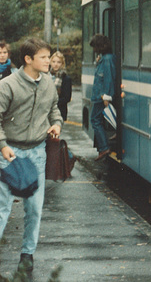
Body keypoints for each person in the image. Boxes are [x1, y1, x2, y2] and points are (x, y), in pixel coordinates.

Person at [0, 38, 63, 274]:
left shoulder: (48, 84)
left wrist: (56, 124)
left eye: (49, 57)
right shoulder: (7, 85)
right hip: (10, 154)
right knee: (2, 208)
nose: (49, 61)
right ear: (28, 59)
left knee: (34, 208)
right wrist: (2, 145)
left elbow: (54, 109)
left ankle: (27, 255)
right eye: (44, 57)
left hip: (37, 152)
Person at [89, 34, 116, 161]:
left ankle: (104, 147)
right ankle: (104, 147)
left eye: (95, 47)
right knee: (96, 120)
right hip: (100, 96)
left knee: (95, 120)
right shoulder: (104, 58)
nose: (94, 50)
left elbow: (108, 78)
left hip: (101, 96)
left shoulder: (107, 59)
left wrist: (107, 96)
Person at [49, 51, 73, 121]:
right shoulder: (46, 76)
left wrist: (52, 103)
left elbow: (67, 98)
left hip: (59, 112)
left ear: (62, 64)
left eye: (58, 62)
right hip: (45, 112)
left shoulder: (66, 79)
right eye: (53, 62)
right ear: (50, 63)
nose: (55, 64)